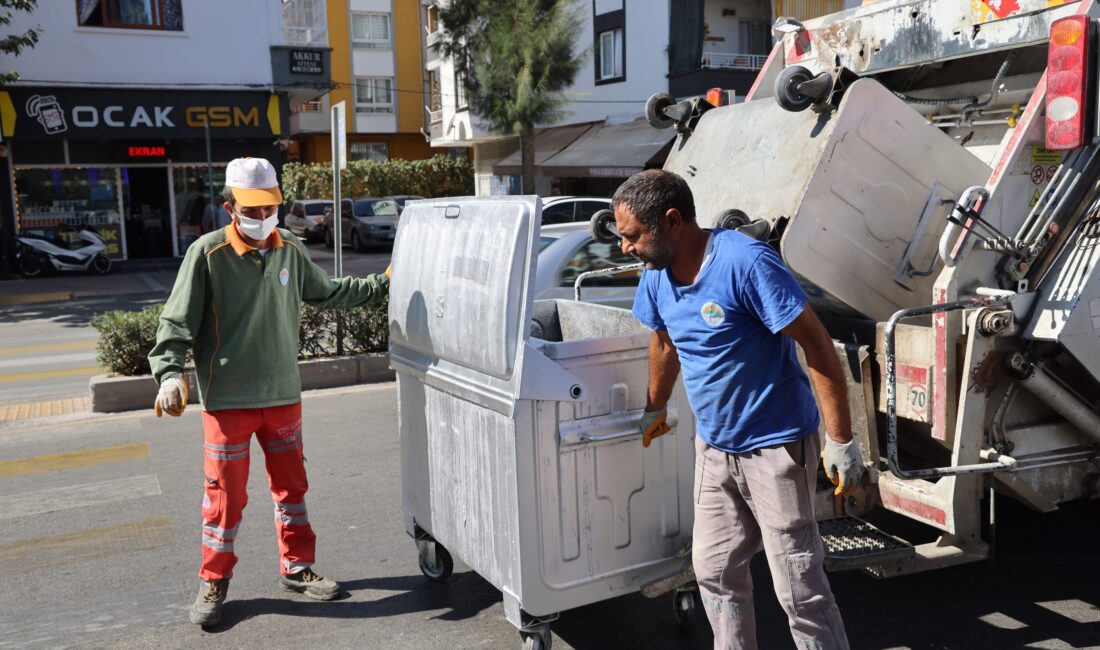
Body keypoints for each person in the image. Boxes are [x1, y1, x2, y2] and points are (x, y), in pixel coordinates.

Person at [612, 170, 863, 650]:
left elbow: (817, 344)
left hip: (776, 447)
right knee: (714, 570)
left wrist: (841, 440)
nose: (625, 247)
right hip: (714, 448)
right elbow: (663, 343)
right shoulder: (657, 275)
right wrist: (654, 409)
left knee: (799, 589)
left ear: (672, 222)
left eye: (632, 236)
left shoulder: (746, 264)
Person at [148, 157, 391, 628]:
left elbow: (329, 292)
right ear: (229, 207)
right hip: (228, 402)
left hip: (282, 395)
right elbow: (176, 323)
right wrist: (169, 374)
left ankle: (297, 568)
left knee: (292, 489)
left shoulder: (290, 249)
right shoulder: (207, 254)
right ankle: (214, 579)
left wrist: (382, 285)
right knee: (225, 498)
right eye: (251, 210)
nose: (262, 218)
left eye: (269, 209)